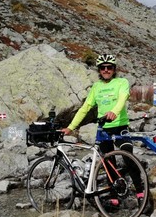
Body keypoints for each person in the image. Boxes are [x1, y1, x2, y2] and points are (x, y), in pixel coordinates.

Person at [62, 53, 144, 205]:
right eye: (103, 68)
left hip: (120, 127)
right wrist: (70, 127)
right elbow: (85, 107)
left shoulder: (122, 82)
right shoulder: (96, 87)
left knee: (128, 158)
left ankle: (140, 193)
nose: (106, 70)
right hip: (104, 129)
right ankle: (114, 195)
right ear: (99, 70)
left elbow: (122, 98)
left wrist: (114, 112)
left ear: (114, 69)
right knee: (108, 162)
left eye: (109, 67)